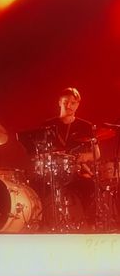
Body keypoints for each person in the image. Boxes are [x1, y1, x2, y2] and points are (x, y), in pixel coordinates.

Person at [42, 87, 98, 226]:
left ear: (78, 104)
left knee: (90, 185)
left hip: (77, 171)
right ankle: (44, 224)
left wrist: (83, 157)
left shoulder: (86, 126)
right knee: (38, 187)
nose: (69, 106)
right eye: (66, 102)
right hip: (52, 172)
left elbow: (97, 154)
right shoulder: (47, 125)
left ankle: (88, 224)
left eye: (73, 103)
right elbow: (40, 152)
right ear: (59, 102)